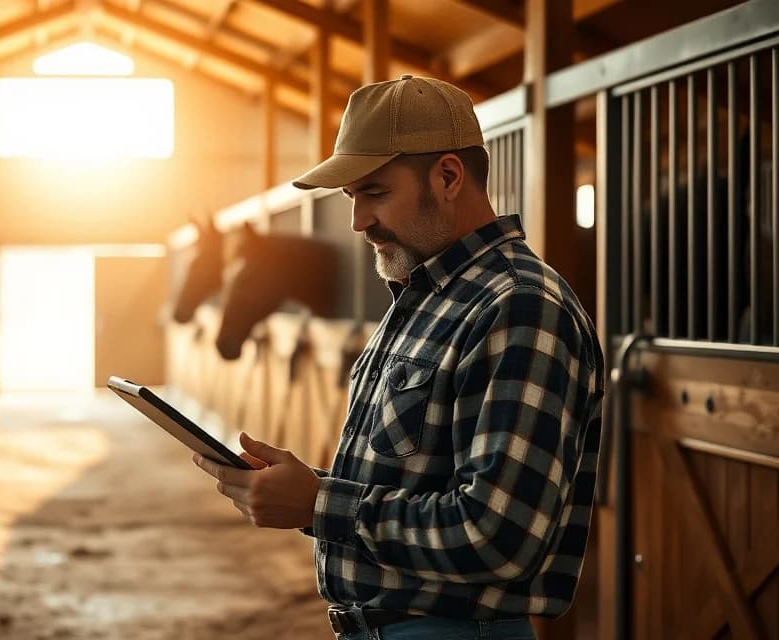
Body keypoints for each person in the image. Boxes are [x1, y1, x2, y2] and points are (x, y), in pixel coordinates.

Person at [192, 75, 606, 640]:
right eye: (352, 198)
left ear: (448, 176)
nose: (359, 222)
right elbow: (416, 484)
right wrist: (301, 487)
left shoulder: (520, 307)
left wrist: (319, 503)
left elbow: (499, 535)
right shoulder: (423, 295)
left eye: (376, 193)